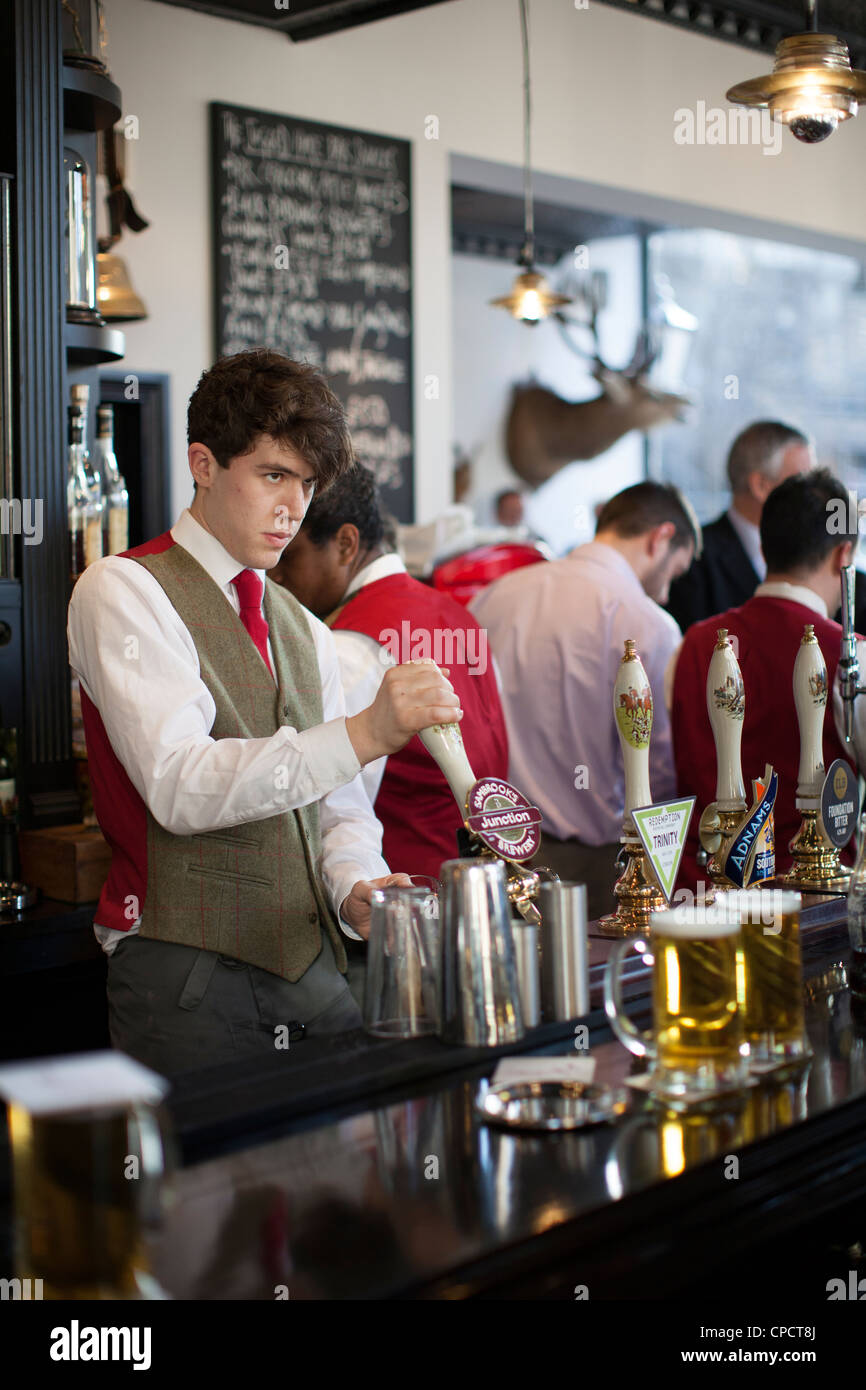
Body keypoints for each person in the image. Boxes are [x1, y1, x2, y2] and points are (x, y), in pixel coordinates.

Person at [67, 349, 461, 1075]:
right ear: (205, 464)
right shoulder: (121, 589)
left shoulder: (306, 629)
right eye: (273, 475)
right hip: (185, 976)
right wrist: (366, 732)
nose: (294, 508)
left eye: (307, 483)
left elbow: (339, 812)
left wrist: (354, 889)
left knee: (349, 1177)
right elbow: (179, 784)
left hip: (315, 971)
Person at [469, 481, 699, 919]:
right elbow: (659, 767)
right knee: (594, 985)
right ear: (661, 538)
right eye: (674, 572)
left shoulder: (494, 597)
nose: (666, 592)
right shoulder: (648, 623)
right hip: (595, 869)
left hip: (494, 853)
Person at [272, 463, 508, 881]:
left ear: (346, 544)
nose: (276, 575)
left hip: (401, 902)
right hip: (485, 884)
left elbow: (328, 813)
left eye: (290, 556)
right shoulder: (458, 615)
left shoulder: (349, 646)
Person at [669, 468, 860, 889]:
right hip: (815, 894)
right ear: (843, 556)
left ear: (762, 543)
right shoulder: (852, 655)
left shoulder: (694, 644)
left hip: (707, 893)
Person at [666, 421, 815, 632]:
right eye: (803, 482)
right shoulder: (693, 559)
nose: (814, 495)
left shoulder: (818, 555)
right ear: (761, 486)